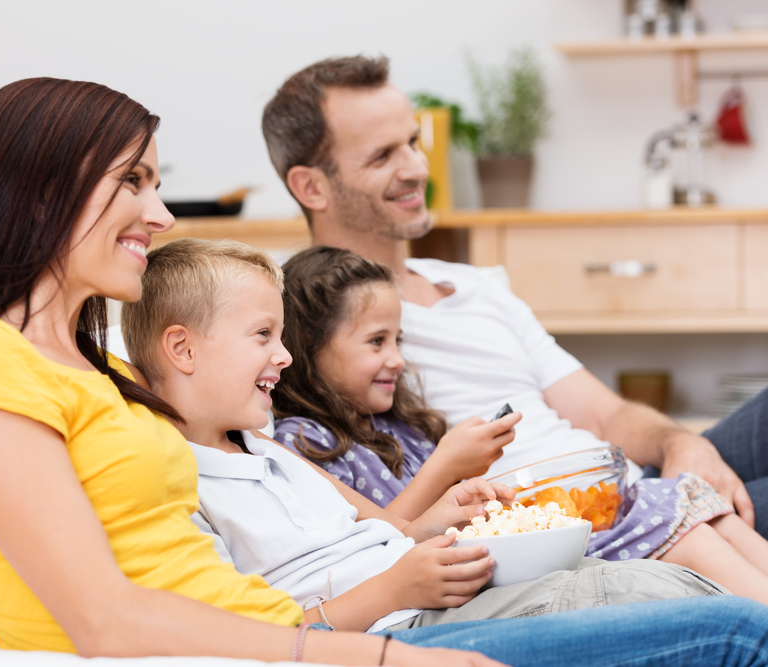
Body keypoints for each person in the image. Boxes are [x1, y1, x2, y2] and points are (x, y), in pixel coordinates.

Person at [0, 75, 768, 667]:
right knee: (734, 630)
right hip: (321, 646)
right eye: (133, 181)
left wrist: (414, 530)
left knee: (704, 601)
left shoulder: (105, 364)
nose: (161, 209)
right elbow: (103, 621)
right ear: (42, 192)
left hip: (328, 626)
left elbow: (269, 493)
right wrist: (378, 650)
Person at [260, 54, 768, 541]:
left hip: (630, 480)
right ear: (312, 187)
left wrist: (683, 444)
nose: (417, 168)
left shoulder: (477, 285)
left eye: (413, 143)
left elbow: (605, 415)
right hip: (581, 524)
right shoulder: (305, 318)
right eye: (383, 155)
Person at [119, 236, 734, 635]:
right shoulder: (175, 477)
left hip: (436, 592)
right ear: (183, 348)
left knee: (694, 595)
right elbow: (252, 637)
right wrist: (400, 583)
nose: (283, 357)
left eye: (281, 336)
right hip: (408, 623)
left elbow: (390, 532)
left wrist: (443, 515)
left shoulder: (269, 448)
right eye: (262, 336)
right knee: (711, 623)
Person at [269, 244, 768, 606]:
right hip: (492, 566)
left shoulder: (398, 424)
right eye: (377, 342)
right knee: (670, 513)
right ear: (309, 347)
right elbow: (382, 541)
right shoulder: (302, 444)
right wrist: (446, 467)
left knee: (691, 499)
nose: (397, 360)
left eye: (398, 340)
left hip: (556, 511)